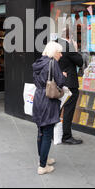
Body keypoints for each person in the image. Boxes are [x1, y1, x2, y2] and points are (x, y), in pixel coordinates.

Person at [32, 41, 67, 175]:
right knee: (47, 133)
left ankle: (43, 159)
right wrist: (63, 76)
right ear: (54, 52)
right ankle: (42, 166)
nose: (61, 55)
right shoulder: (53, 63)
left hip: (39, 98)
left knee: (40, 131)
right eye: (59, 52)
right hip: (48, 100)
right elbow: (61, 82)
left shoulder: (39, 62)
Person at [57, 29, 84, 145]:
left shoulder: (56, 43)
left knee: (58, 108)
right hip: (70, 83)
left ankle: (55, 133)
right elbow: (80, 61)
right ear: (70, 37)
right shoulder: (67, 46)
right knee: (68, 110)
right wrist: (75, 49)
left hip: (59, 81)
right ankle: (66, 136)